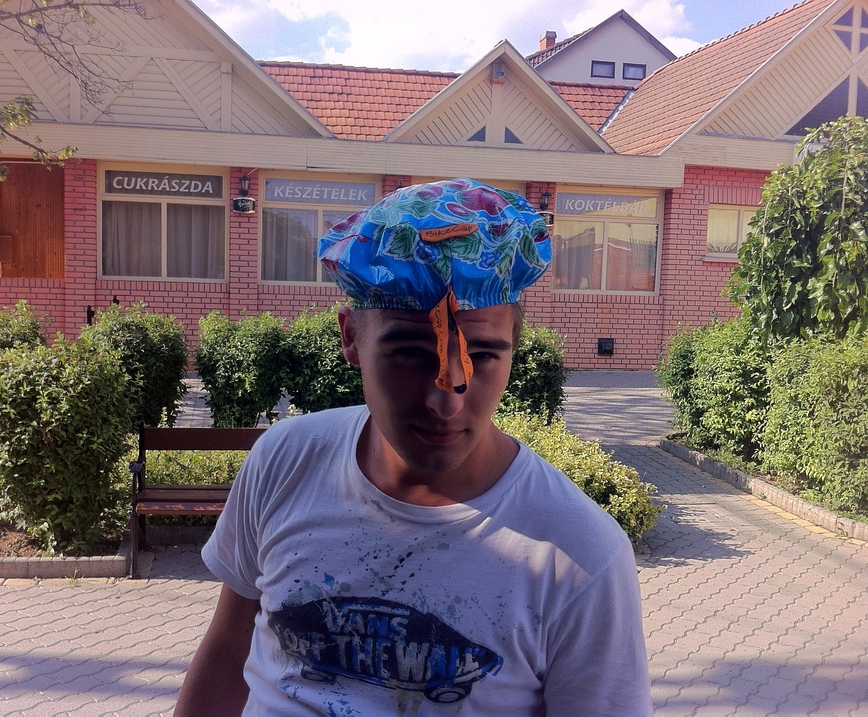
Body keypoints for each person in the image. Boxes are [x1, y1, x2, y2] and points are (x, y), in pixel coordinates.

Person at [175, 178, 651, 716]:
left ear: (515, 347)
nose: (445, 402)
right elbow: (228, 651)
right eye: (408, 352)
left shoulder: (580, 555)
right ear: (351, 338)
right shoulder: (285, 461)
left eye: (483, 356)